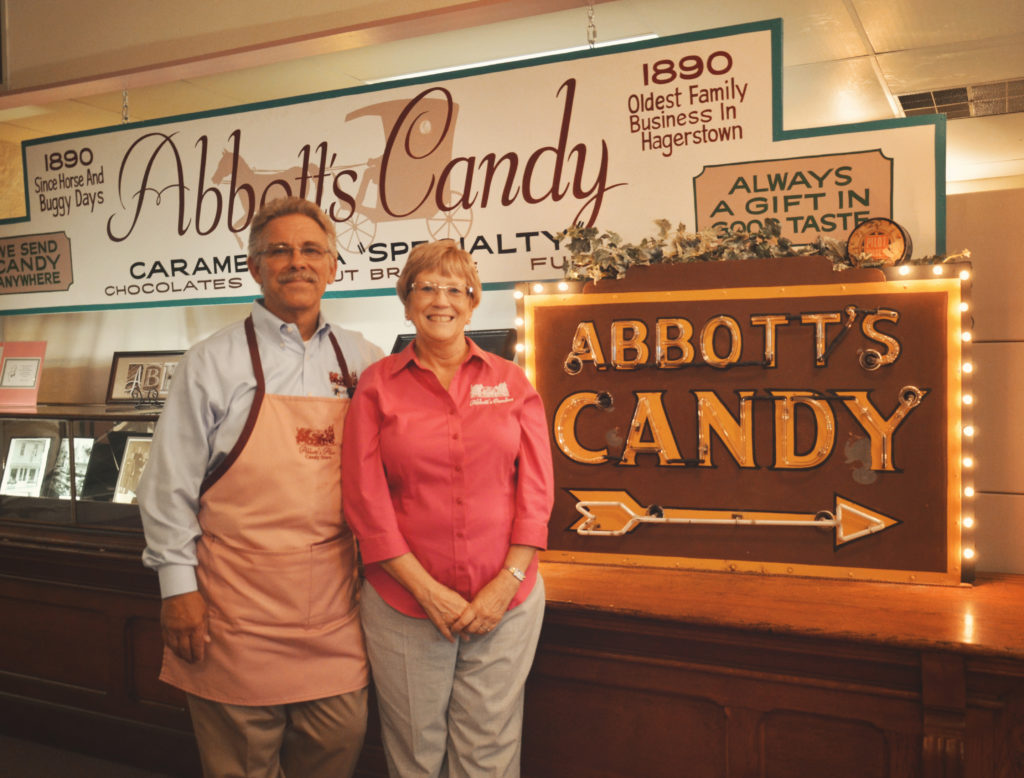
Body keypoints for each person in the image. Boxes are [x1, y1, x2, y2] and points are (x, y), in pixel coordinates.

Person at [138, 196, 382, 778]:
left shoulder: (366, 360)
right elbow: (167, 484)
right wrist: (177, 589)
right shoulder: (210, 362)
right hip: (232, 607)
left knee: (336, 747)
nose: (296, 262)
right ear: (255, 266)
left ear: (332, 266)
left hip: (335, 607)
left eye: (310, 250)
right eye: (279, 250)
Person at [341, 240, 554, 777]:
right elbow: (366, 502)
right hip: (404, 603)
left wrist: (505, 583)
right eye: (427, 287)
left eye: (456, 289)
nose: (442, 300)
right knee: (416, 750)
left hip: (506, 603)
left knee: (488, 748)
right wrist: (426, 590)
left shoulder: (511, 382)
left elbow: (536, 492)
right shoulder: (376, 385)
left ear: (474, 301)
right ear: (407, 301)